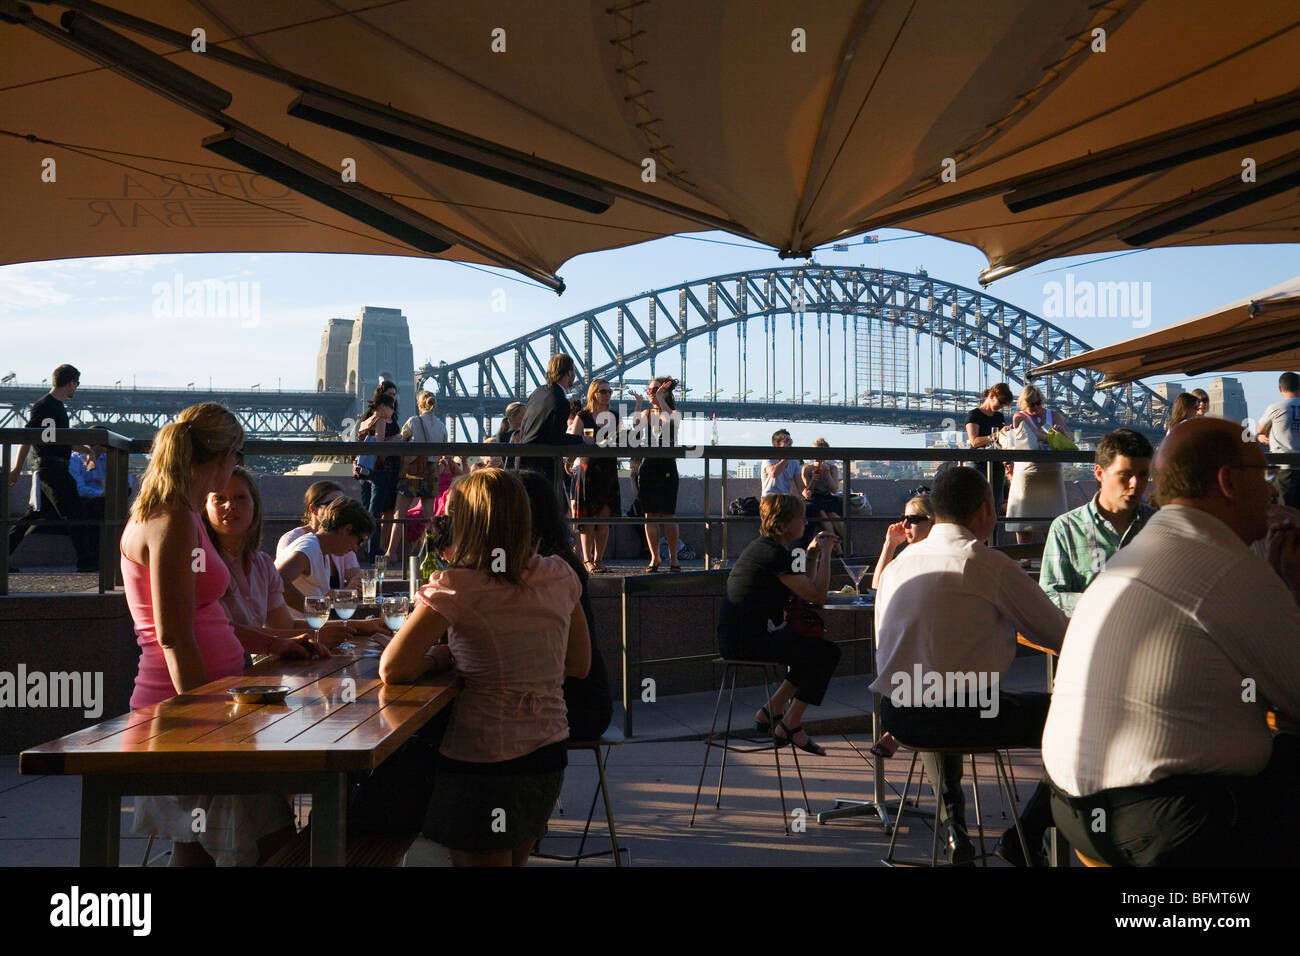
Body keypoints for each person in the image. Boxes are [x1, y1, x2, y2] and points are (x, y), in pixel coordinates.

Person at [1042, 417, 1300, 865]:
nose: (1272, 490)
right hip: (1156, 821)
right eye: (1263, 475)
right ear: (1229, 482)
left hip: (1072, 811)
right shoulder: (1226, 565)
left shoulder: (1143, 549)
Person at [119, 403, 303, 866]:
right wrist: (209, 725)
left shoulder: (181, 514)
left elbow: (206, 619)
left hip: (206, 702)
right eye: (236, 455)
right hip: (185, 715)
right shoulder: (173, 519)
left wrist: (274, 643)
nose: (236, 466)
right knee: (276, 842)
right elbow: (174, 636)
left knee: (198, 847)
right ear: (221, 457)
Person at [380, 469, 589, 867]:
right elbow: (579, 664)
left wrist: (439, 659)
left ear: (468, 523)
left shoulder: (458, 586)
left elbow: (394, 668)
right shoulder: (559, 575)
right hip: (546, 753)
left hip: (483, 761)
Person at [873, 466, 1067, 865]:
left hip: (897, 713)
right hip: (963, 714)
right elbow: (1062, 635)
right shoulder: (983, 561)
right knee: (1081, 721)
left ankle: (954, 829)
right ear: (985, 511)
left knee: (939, 690)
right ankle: (1025, 835)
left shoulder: (896, 566)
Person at [717, 494, 842, 756]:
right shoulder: (774, 554)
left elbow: (804, 590)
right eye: (801, 517)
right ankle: (790, 723)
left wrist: (811, 555)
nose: (806, 521)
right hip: (748, 642)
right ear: (783, 525)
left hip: (739, 639)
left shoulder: (766, 549)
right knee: (827, 653)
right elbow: (816, 595)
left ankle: (771, 710)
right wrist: (827, 553)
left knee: (812, 651)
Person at [518, 469, 612, 740]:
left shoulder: (551, 569)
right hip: (584, 699)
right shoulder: (560, 560)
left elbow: (575, 665)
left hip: (571, 706)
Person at [203, 467, 332, 658]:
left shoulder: (262, 564)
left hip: (247, 670)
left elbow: (284, 626)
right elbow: (212, 630)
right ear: (204, 510)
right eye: (220, 499)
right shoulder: (200, 561)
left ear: (255, 506)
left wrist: (354, 627)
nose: (230, 505)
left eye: (240, 498)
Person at [1038, 428, 1155, 616]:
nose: (1136, 484)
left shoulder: (1157, 526)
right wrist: (1103, 601)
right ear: (1099, 473)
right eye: (1125, 475)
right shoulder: (1066, 529)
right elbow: (1050, 596)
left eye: (1142, 475)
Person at [7, 364, 97, 571]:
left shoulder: (51, 406)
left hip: (48, 469)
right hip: (51, 469)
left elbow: (59, 439)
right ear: (71, 382)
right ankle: (87, 562)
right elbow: (27, 437)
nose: (77, 389)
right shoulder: (47, 406)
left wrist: (87, 451)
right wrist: (16, 469)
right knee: (74, 512)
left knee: (30, 517)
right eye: (77, 384)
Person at [867, 493, 934, 759]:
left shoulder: (934, 555)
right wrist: (889, 544)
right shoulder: (909, 553)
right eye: (903, 519)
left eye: (913, 519)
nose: (904, 525)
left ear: (934, 522)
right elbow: (878, 584)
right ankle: (896, 731)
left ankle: (895, 731)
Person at [1005, 384, 1071, 545]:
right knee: (1024, 520)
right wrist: (1052, 437)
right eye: (1031, 404)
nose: (1035, 407)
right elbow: (1032, 436)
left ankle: (1049, 558)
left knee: (1051, 520)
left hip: (1051, 473)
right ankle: (1024, 557)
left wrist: (1062, 434)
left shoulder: (1053, 414)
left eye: (1038, 403)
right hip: (1028, 472)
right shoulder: (1019, 417)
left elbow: (1070, 435)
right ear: (1023, 404)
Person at [388, 390, 450, 560]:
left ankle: (390, 553)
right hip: (432, 471)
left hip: (413, 471)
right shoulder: (441, 425)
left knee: (399, 514)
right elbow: (445, 450)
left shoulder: (414, 421)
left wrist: (385, 442)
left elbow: (401, 439)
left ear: (419, 404)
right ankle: (430, 553)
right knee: (429, 517)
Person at [568, 379, 621, 574]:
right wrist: (568, 462)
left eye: (610, 391)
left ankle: (599, 560)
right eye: (604, 391)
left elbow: (620, 439)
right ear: (594, 394)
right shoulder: (583, 416)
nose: (608, 395)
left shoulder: (615, 416)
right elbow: (573, 441)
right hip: (588, 470)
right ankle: (587, 560)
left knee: (604, 519)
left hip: (608, 470)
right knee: (587, 520)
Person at [630, 376, 681, 572]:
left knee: (669, 515)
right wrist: (639, 404)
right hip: (649, 467)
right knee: (649, 515)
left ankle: (674, 559)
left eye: (656, 389)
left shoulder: (674, 412)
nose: (651, 392)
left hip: (667, 467)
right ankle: (655, 558)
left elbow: (671, 421)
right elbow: (635, 430)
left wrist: (660, 398)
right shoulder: (646, 413)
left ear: (665, 391)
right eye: (650, 390)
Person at [276, 481, 361, 591]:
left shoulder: (330, 541)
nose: (341, 510)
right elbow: (278, 582)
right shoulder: (300, 543)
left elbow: (357, 579)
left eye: (343, 505)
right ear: (313, 509)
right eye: (333, 505)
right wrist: (308, 607)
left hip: (329, 607)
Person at [516, 354, 587, 483]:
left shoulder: (537, 393)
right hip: (542, 468)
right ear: (570, 373)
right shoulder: (561, 400)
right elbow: (556, 438)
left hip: (522, 461)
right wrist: (582, 439)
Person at [356, 391, 401, 559]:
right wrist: (396, 439)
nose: (392, 411)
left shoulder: (364, 422)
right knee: (375, 513)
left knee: (366, 510)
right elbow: (380, 444)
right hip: (379, 470)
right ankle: (374, 550)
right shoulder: (380, 420)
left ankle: (361, 547)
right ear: (382, 406)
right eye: (391, 407)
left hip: (364, 470)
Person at [965, 383, 1014, 514]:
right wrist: (997, 435)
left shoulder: (999, 417)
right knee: (976, 504)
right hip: (978, 465)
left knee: (994, 506)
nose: (1002, 406)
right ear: (991, 395)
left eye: (1005, 404)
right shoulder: (974, 415)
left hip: (997, 465)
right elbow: (974, 441)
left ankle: (993, 534)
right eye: (1001, 402)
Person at [1257, 371, 1300, 508]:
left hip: (1285, 467)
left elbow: (1259, 429)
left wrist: (1265, 434)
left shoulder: (1276, 407)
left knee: (1286, 508)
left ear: (1280, 389)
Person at [801, 439, 845, 540]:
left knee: (831, 513)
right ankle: (837, 545)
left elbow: (834, 490)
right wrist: (813, 479)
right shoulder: (807, 469)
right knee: (821, 512)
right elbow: (808, 492)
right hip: (814, 499)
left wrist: (827, 473)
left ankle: (847, 542)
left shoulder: (832, 468)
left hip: (827, 498)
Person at [761, 429, 804, 498]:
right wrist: (787, 457)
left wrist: (805, 492)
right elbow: (773, 473)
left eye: (791, 440)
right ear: (777, 444)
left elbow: (799, 485)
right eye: (786, 441)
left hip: (785, 498)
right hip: (769, 498)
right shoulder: (769, 457)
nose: (790, 443)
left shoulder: (794, 462)